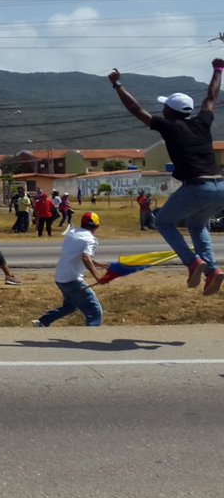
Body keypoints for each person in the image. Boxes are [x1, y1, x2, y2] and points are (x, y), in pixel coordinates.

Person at [110, 60, 224, 295]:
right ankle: (212, 270)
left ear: (171, 112)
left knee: (162, 221)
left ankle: (192, 263)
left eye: (165, 107)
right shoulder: (203, 122)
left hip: (197, 186)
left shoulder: (168, 126)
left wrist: (117, 85)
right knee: (196, 224)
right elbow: (211, 98)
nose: (162, 110)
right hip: (220, 186)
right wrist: (218, 70)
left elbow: (136, 110)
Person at [33, 212, 110, 327]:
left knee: (70, 306)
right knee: (94, 311)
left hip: (60, 278)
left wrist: (99, 264)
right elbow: (85, 257)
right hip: (73, 280)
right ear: (97, 226)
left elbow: (78, 255)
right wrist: (98, 277)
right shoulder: (91, 240)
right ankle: (91, 339)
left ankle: (43, 322)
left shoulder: (72, 233)